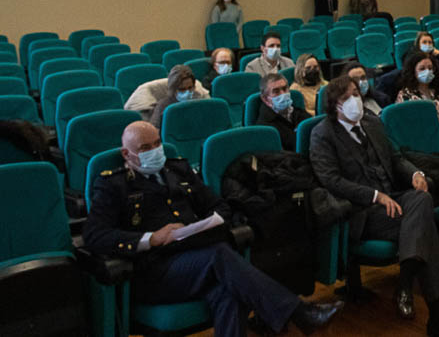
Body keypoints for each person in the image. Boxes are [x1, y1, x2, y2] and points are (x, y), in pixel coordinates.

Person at [83, 121, 342, 337]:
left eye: (158, 143)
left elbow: (218, 205)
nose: (155, 151)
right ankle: (298, 312)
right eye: (145, 148)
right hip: (155, 271)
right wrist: (151, 239)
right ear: (127, 154)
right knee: (219, 255)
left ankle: (297, 313)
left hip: (196, 254)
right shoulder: (113, 185)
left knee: (228, 292)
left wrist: (206, 223)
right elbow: (95, 236)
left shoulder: (178, 169)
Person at [310, 78, 439, 337]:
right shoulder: (322, 134)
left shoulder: (373, 122)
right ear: (335, 106)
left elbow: (396, 158)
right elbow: (331, 181)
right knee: (424, 230)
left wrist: (415, 174)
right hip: (362, 212)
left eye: (356, 94)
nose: (356, 101)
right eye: (348, 98)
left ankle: (406, 282)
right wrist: (375, 196)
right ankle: (438, 318)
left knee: (421, 198)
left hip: (394, 199)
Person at [395, 53, 439, 135]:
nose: (427, 71)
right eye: (422, 69)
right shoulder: (405, 96)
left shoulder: (438, 90)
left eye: (430, 68)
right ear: (413, 71)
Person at [257, 73, 311, 151]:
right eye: (276, 91)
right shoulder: (265, 127)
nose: (283, 94)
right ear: (265, 99)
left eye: (285, 89)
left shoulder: (298, 112)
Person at [150, 64, 204, 129]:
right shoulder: (163, 106)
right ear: (173, 89)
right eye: (182, 89)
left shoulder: (200, 99)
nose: (187, 92)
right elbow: (154, 130)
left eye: (190, 88)